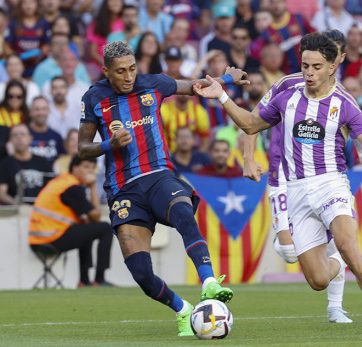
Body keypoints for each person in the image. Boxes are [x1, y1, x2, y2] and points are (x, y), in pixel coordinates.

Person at [197, 32, 362, 333]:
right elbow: (251, 124)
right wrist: (223, 97)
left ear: (332, 67)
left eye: (316, 67)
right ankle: (338, 264)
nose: (308, 72)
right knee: (318, 280)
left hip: (331, 184)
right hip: (295, 191)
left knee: (347, 244)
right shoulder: (286, 97)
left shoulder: (344, 103)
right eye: (305, 65)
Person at [78, 40, 249, 336]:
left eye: (132, 69)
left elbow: (193, 86)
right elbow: (82, 148)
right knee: (142, 273)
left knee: (183, 211)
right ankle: (183, 310)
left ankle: (209, 283)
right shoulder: (94, 97)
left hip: (158, 176)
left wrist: (226, 79)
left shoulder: (154, 83)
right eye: (120, 72)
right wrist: (109, 144)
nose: (128, 76)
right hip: (123, 190)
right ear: (106, 71)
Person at [241, 29, 362, 324]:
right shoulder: (289, 84)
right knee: (289, 252)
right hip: (282, 177)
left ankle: (335, 307)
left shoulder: (343, 97)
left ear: (338, 59)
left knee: (339, 242)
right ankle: (312, 260)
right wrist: (249, 157)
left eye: (337, 55)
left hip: (326, 178)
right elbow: (252, 119)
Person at [28, 155, 114, 287]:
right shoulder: (72, 188)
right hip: (49, 239)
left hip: (37, 239)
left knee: (87, 228)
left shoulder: (61, 181)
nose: (90, 171)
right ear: (74, 167)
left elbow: (90, 220)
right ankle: (100, 279)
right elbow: (96, 217)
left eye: (92, 168)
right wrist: (92, 187)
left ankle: (84, 282)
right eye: (86, 167)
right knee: (105, 228)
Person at [0, 124, 53, 205]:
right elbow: (1, 194)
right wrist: (19, 206)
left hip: (42, 209)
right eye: (15, 135)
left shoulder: (43, 162)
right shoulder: (4, 165)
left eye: (23, 134)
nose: (19, 138)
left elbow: (52, 188)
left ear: (30, 138)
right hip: (17, 213)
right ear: (10, 140)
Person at [28, 96, 65, 166]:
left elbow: (62, 162)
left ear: (49, 111)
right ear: (30, 112)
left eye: (44, 109)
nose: (40, 113)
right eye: (36, 109)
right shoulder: (22, 134)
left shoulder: (57, 137)